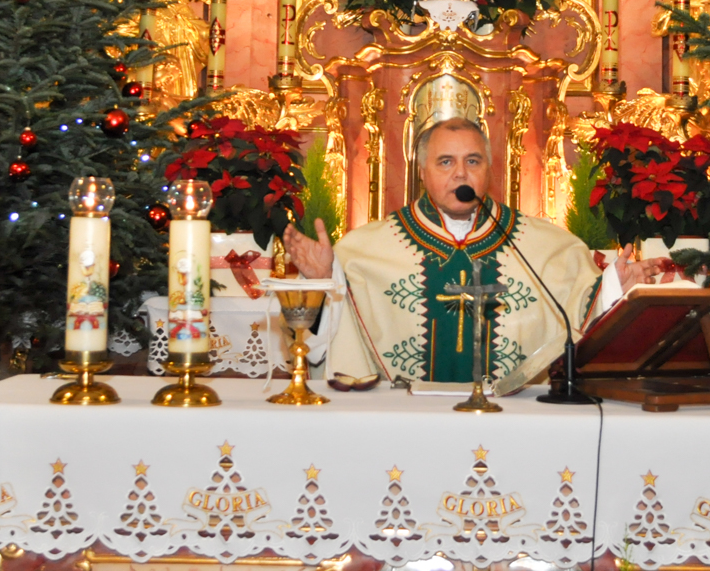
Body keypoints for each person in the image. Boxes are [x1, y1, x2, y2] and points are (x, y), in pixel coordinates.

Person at [283, 118, 662, 384]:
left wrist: (614, 287)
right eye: (445, 162)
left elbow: (582, 317)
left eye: (473, 161)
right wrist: (321, 281)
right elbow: (324, 342)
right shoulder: (362, 251)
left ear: (489, 170)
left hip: (512, 423)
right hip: (404, 423)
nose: (460, 174)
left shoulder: (548, 247)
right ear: (422, 171)